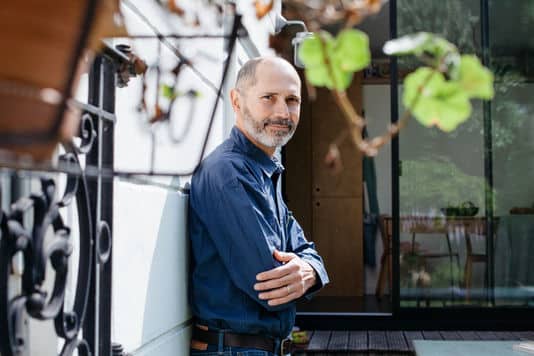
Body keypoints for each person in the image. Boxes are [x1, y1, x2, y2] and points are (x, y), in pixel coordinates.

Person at [188, 56, 329, 356]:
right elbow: (271, 284)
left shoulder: (266, 170)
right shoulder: (230, 174)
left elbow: (307, 250)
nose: (282, 112)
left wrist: (309, 269)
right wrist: (304, 269)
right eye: (269, 98)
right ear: (237, 102)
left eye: (292, 100)